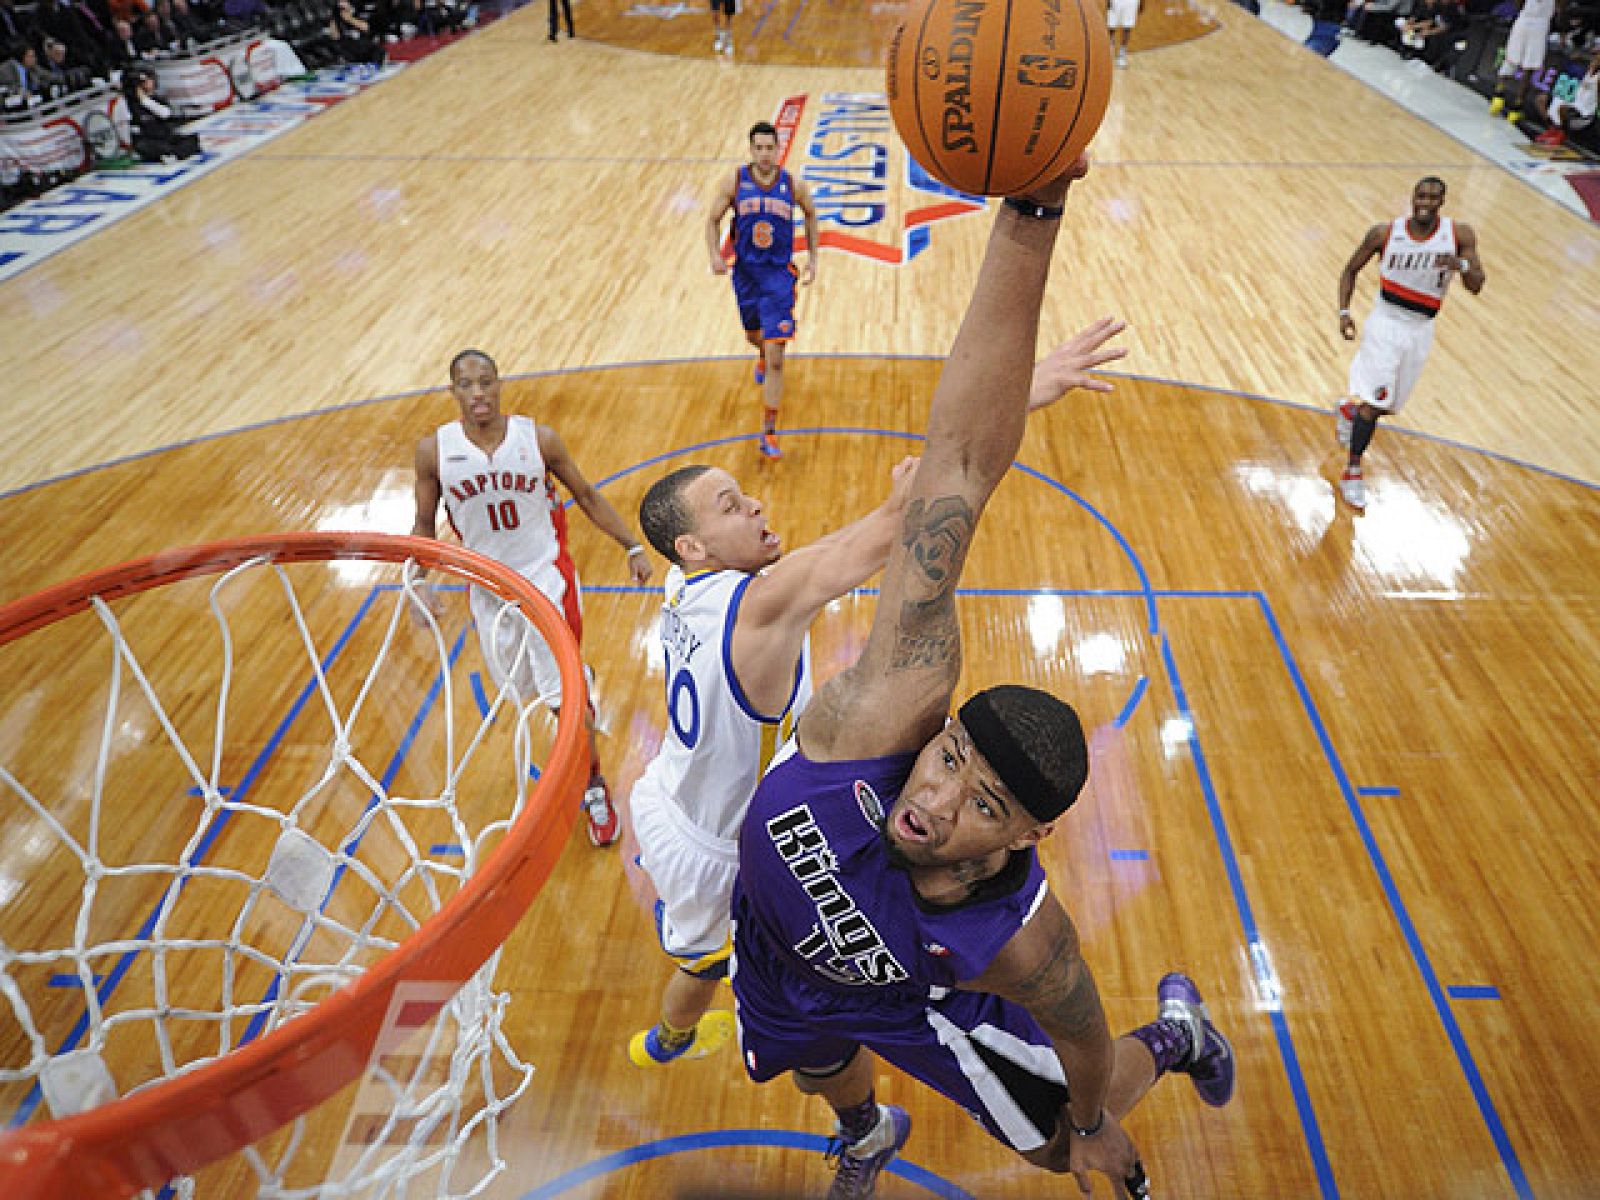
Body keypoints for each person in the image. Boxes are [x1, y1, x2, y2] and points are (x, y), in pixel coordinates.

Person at [727, 157, 1235, 1200]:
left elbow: (1083, 1037)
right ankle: (865, 1128)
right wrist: (1032, 207)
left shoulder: (1017, 938)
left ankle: (1179, 1033)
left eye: (981, 804)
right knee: (812, 1065)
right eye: (951, 757)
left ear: (1021, 837)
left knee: (1049, 1145)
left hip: (905, 1003)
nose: (937, 797)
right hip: (770, 947)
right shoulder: (881, 718)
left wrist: (1092, 1122)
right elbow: (956, 464)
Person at [626, 321, 1130, 1070]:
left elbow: (670, 564)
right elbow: (919, 507)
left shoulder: (682, 584)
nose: (756, 507)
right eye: (732, 507)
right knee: (717, 964)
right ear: (694, 547)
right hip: (719, 841)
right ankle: (679, 1039)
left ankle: (685, 1032)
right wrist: (1027, 391)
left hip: (666, 796)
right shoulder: (761, 604)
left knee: (704, 957)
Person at [410, 349, 654, 846]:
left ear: (500, 384)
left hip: (546, 581)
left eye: (485, 382)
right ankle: (579, 708)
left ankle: (593, 785)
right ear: (452, 391)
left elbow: (585, 494)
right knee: (530, 691)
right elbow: (423, 525)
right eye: (466, 384)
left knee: (565, 694)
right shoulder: (433, 452)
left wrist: (630, 544)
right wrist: (418, 582)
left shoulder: (537, 439)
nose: (477, 393)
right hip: (487, 590)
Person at [1333, 177, 1486, 511]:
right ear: (1412, 197)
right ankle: (1353, 471)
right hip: (1386, 321)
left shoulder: (1459, 235)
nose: (1426, 202)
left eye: (1434, 197)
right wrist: (1345, 312)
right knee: (1375, 403)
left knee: (1386, 405)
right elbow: (1349, 271)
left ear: (1442, 201)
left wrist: (1460, 265)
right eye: (1421, 195)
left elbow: (1477, 284)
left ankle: (1349, 411)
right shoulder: (1384, 233)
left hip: (1422, 327)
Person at [706, 121, 820, 460]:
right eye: (759, 148)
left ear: (778, 149)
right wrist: (714, 254)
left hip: (778, 279)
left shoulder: (793, 185)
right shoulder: (735, 181)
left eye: (771, 148)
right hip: (746, 274)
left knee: (776, 358)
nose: (765, 154)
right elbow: (711, 220)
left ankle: (769, 432)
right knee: (753, 335)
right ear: (751, 149)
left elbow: (812, 215)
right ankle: (760, 351)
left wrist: (814, 257)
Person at [1491, 0, 1564, 122]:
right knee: (1528, 68)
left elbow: (1518, 3)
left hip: (1524, 19)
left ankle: (1498, 94)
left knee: (1511, 58)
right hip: (1540, 26)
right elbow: (1560, 11)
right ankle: (1516, 107)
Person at [1533, 49, 1599, 145]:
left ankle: (1562, 134)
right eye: (1593, 58)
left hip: (1584, 113)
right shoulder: (1587, 72)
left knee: (1562, 108)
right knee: (1541, 100)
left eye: (1596, 59)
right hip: (1573, 104)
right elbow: (1580, 56)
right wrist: (1581, 56)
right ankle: (1552, 129)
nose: (1593, 61)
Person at [1106, 0, 1141, 67]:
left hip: (1131, 2)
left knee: (1127, 27)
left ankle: (1121, 56)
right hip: (1116, 2)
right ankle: (1109, 52)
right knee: (1111, 27)